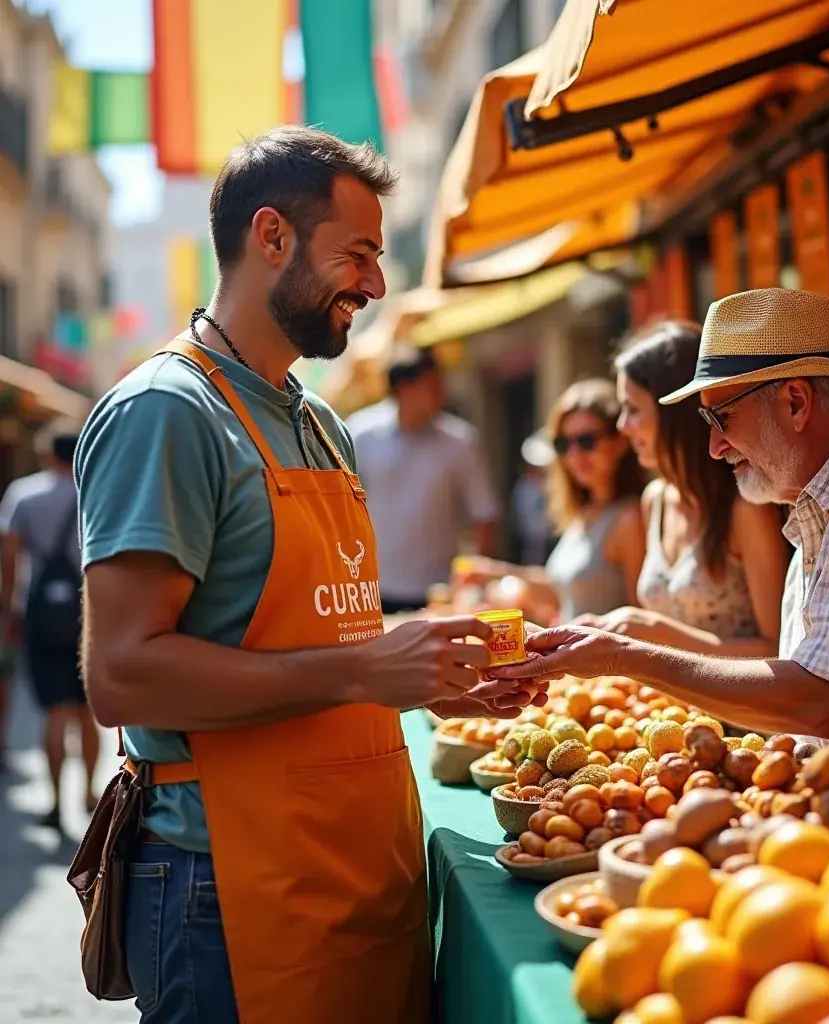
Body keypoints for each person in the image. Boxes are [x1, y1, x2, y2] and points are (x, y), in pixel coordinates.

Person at [74, 126, 542, 1024]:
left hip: (360, 871)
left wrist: (428, 677)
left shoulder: (321, 421)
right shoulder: (167, 411)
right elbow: (123, 676)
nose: (375, 284)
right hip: (227, 890)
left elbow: (323, 636)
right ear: (272, 236)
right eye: (357, 254)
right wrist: (366, 671)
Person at [495, 289, 829, 780]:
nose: (714, 447)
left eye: (721, 418)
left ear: (795, 402)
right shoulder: (823, 510)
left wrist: (624, 655)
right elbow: (803, 714)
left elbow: (819, 703)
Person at [576, 321, 790, 656]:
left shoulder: (745, 507)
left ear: (675, 412)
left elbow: (778, 650)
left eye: (633, 410)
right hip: (659, 693)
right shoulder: (655, 500)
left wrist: (655, 633)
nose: (622, 426)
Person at [459, 378, 646, 624]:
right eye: (563, 444)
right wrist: (493, 574)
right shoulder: (584, 512)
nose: (573, 455)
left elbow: (641, 621)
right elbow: (564, 591)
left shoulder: (629, 518)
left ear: (620, 441)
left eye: (586, 441)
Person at [347, 345, 500, 614]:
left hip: (439, 595)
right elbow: (343, 509)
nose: (443, 394)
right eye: (433, 386)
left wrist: (475, 587)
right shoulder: (360, 435)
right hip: (371, 590)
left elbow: (484, 515)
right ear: (404, 388)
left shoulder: (460, 442)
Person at [0, 419, 98, 829]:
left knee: (54, 714)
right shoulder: (94, 492)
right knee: (87, 711)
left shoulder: (23, 495)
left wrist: (9, 612)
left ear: (45, 454)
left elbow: (10, 559)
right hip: (89, 613)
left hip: (40, 614)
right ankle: (89, 794)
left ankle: (56, 802)